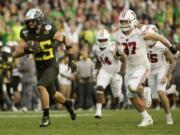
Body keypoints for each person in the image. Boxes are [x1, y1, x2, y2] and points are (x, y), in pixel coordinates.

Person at [13, 8, 76, 127]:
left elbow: (66, 40)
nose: (30, 24)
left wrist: (72, 58)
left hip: (51, 65)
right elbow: (16, 53)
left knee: (41, 86)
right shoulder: (26, 33)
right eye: (28, 22)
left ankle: (46, 117)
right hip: (39, 67)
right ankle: (68, 104)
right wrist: (27, 50)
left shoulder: (49, 29)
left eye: (32, 21)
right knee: (52, 94)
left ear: (40, 20)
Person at [114, 9, 177, 127]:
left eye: (126, 22)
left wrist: (171, 47)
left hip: (142, 66)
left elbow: (158, 37)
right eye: (122, 22)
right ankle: (147, 118)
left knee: (132, 87)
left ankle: (145, 91)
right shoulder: (118, 34)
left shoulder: (140, 32)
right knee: (131, 96)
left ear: (132, 21)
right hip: (130, 67)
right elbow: (115, 55)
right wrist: (118, 52)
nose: (123, 25)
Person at [142, 24, 175, 125]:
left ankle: (169, 116)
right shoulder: (142, 44)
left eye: (149, 36)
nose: (147, 38)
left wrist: (167, 75)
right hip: (151, 71)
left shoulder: (161, 45)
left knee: (160, 92)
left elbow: (172, 62)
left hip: (162, 68)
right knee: (155, 98)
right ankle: (169, 91)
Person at [93, 28, 126, 118]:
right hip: (105, 71)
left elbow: (123, 60)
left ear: (108, 39)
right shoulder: (96, 48)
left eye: (104, 40)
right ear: (97, 40)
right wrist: (96, 70)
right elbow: (100, 59)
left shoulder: (112, 47)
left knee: (116, 96)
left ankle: (120, 96)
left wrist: (121, 73)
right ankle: (98, 111)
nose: (102, 41)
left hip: (115, 72)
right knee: (99, 88)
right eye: (100, 40)